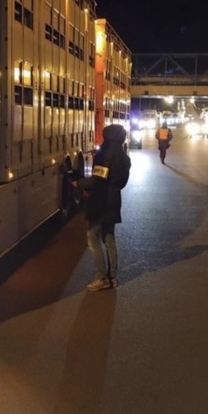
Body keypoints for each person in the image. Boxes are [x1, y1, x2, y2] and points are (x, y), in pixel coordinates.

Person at [75, 124, 131, 292]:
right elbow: (119, 181)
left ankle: (101, 278)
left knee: (92, 236)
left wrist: (78, 183)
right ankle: (112, 277)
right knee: (109, 238)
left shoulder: (105, 154)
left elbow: (97, 180)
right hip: (114, 199)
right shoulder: (123, 155)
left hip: (102, 200)